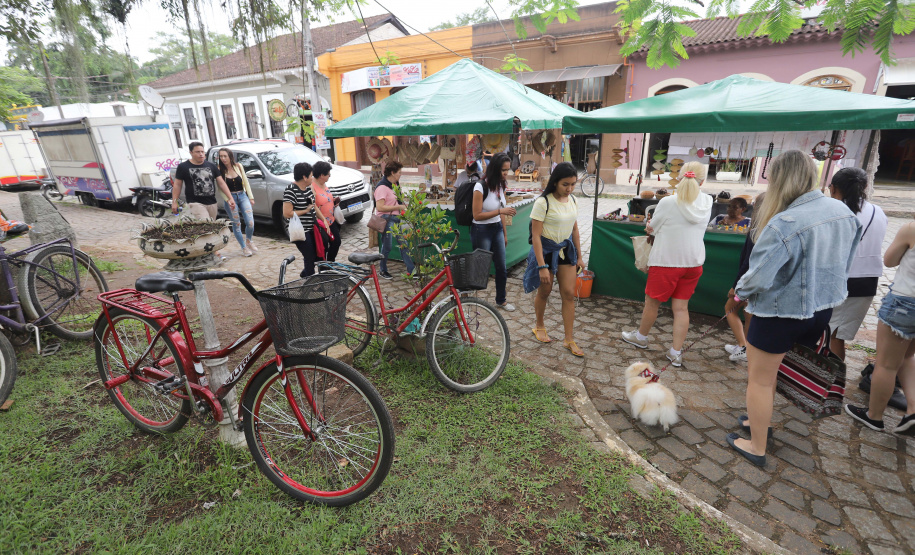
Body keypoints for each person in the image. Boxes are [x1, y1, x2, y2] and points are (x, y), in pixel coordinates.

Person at [730, 150, 860, 467]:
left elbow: (757, 278)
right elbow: (846, 262)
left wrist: (738, 295)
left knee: (760, 379)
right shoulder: (842, 211)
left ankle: (756, 445)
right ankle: (760, 422)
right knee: (776, 372)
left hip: (779, 313)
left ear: (779, 181)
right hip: (821, 310)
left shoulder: (784, 222)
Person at [621, 161, 713, 367]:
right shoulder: (708, 201)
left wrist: (650, 226)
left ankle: (642, 337)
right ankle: (675, 352)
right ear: (703, 181)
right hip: (693, 262)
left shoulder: (668, 202)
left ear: (679, 177)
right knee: (681, 309)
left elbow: (652, 228)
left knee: (652, 303)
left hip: (667, 261)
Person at [846, 219, 915, 435]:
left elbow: (890, 260)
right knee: (906, 357)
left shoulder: (911, 228)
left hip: (905, 302)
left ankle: (874, 416)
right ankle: (913, 409)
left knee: (886, 365)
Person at [826, 167, 888, 360]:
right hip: (866, 282)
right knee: (837, 336)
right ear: (865, 187)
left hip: (834, 279)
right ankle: (830, 382)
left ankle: (829, 382)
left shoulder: (831, 211)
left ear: (833, 188)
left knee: (829, 335)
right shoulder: (878, 212)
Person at [524, 162, 584, 357]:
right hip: (546, 250)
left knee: (568, 293)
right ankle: (539, 325)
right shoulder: (543, 203)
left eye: (573, 184)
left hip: (566, 250)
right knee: (545, 291)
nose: (569, 189)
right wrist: (542, 266)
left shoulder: (573, 200)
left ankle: (569, 339)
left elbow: (575, 229)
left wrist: (580, 257)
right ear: (555, 182)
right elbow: (535, 237)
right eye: (565, 184)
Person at [723, 192, 766, 363]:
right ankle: (744, 346)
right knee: (748, 314)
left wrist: (735, 286)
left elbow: (747, 262)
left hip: (748, 280)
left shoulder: (756, 229)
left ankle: (743, 346)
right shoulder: (769, 226)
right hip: (758, 280)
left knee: (730, 309)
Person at [472, 152, 517, 312]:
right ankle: (469, 298)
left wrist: (504, 234)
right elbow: (477, 214)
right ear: (495, 169)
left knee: (501, 267)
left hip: (497, 228)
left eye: (508, 170)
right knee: (480, 266)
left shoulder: (502, 185)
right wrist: (500, 212)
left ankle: (501, 300)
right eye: (503, 170)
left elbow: (502, 210)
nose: (506, 173)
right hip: (481, 229)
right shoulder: (480, 186)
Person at [283, 162, 328, 278]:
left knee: (317, 254)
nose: (312, 178)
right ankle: (309, 281)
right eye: (311, 175)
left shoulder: (307, 190)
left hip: (313, 227)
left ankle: (306, 275)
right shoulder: (290, 190)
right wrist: (305, 210)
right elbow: (287, 213)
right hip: (300, 231)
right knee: (309, 256)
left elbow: (314, 206)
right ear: (304, 177)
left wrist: (323, 220)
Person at [374, 161, 415, 280]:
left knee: (404, 245)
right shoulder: (382, 187)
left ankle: (411, 270)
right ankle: (382, 270)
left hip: (396, 219)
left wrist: (403, 206)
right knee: (387, 246)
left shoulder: (395, 184)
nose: (400, 174)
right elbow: (380, 207)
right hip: (386, 219)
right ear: (392, 173)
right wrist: (398, 207)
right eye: (399, 172)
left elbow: (398, 200)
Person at [172, 142, 235, 220]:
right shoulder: (183, 167)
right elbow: (177, 185)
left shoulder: (211, 166)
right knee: (206, 222)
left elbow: (221, 183)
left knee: (212, 227)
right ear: (191, 153)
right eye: (198, 152)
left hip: (212, 202)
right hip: (195, 203)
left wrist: (230, 198)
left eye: (202, 151)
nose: (201, 154)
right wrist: (174, 202)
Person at [217, 148, 257, 257]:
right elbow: (220, 187)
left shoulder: (238, 166)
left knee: (250, 222)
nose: (223, 158)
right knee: (237, 223)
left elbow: (246, 181)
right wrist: (228, 199)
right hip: (230, 198)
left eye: (225, 156)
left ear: (230, 156)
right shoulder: (219, 169)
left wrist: (251, 197)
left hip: (243, 195)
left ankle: (249, 240)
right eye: (221, 156)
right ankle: (243, 247)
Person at [311, 161, 341, 262]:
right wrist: (323, 219)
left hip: (331, 220)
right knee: (323, 246)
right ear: (321, 175)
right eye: (328, 174)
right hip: (321, 223)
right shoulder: (312, 186)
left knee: (336, 242)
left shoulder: (324, 184)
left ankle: (330, 263)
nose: (330, 176)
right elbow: (314, 205)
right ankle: (323, 268)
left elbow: (324, 199)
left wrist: (333, 202)